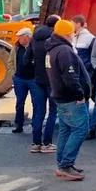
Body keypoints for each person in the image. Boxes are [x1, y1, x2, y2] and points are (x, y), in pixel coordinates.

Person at [46, 19, 92, 180]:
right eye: (72, 32)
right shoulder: (65, 51)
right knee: (81, 129)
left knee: (65, 130)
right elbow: (70, 76)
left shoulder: (52, 49)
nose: (74, 35)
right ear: (67, 34)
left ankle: (62, 165)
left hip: (60, 97)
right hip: (71, 99)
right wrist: (79, 95)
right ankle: (66, 164)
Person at [30, 14, 60, 153]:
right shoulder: (54, 38)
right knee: (53, 111)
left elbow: (26, 59)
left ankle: (36, 143)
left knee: (39, 111)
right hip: (51, 80)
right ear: (55, 25)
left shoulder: (34, 38)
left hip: (38, 79)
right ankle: (47, 143)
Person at [7, 27, 38, 134]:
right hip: (19, 79)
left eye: (21, 36)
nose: (19, 38)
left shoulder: (35, 47)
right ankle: (18, 125)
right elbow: (10, 61)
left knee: (36, 102)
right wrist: (14, 74)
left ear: (27, 37)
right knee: (19, 103)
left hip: (33, 80)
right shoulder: (16, 48)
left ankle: (36, 125)